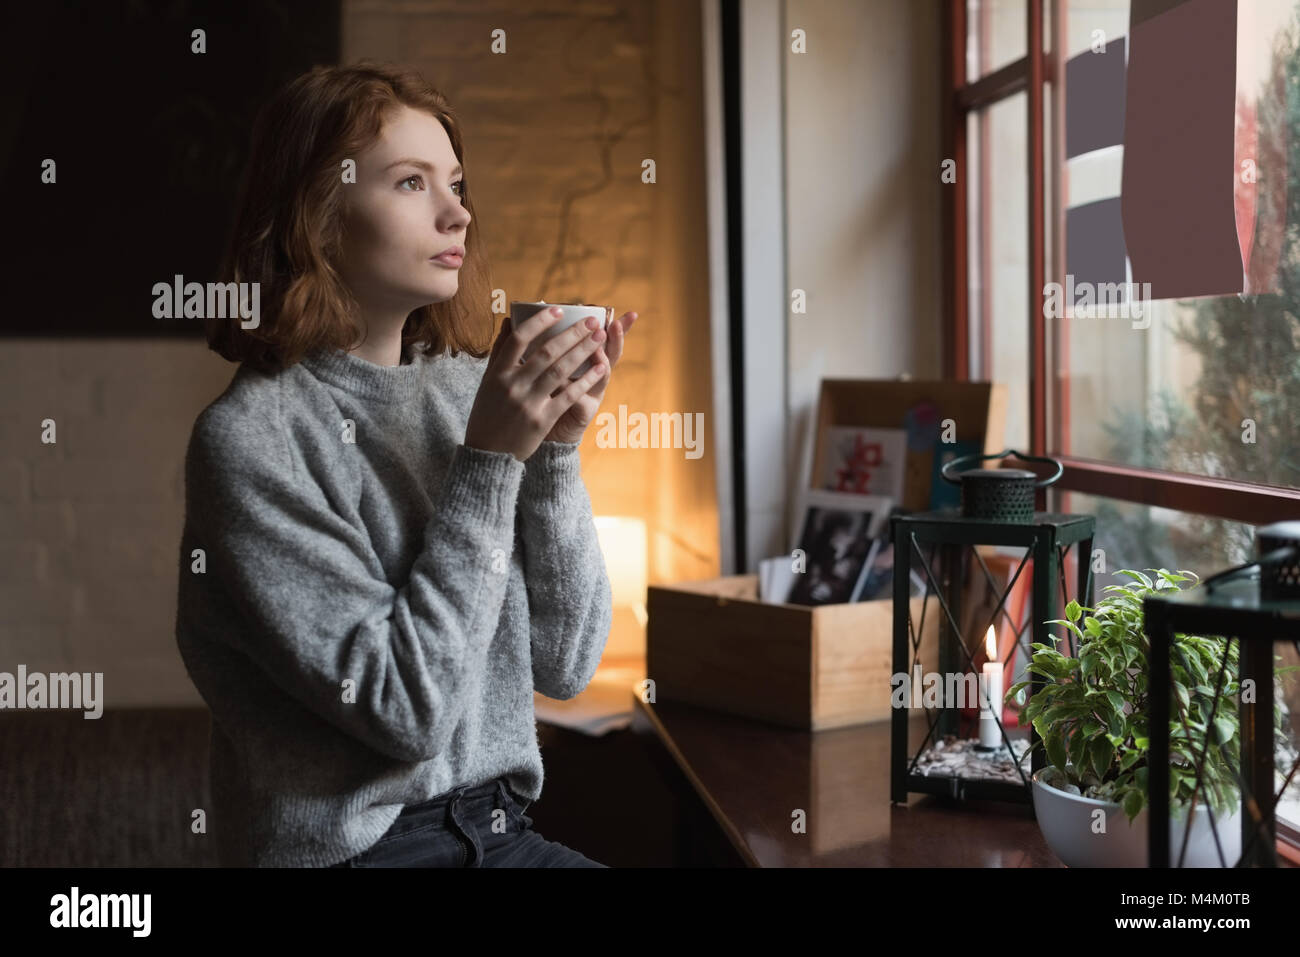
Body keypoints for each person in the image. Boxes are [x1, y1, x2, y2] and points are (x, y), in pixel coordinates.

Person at [174, 61, 638, 868]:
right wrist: (492, 461)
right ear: (315, 217)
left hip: (500, 830)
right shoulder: (251, 441)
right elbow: (405, 710)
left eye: (456, 183)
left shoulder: (471, 393)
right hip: (356, 855)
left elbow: (567, 663)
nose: (458, 213)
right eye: (411, 183)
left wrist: (556, 451)